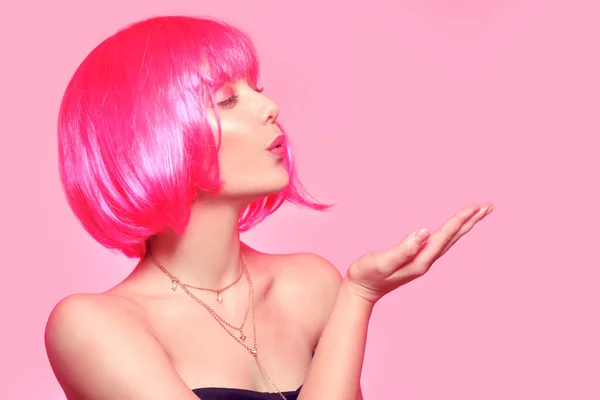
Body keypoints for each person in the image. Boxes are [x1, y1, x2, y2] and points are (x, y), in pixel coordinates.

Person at [44, 15, 494, 400]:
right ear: (150, 138)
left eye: (256, 88)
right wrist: (358, 298)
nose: (270, 106)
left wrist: (359, 294)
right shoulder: (91, 326)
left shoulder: (311, 283)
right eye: (226, 99)